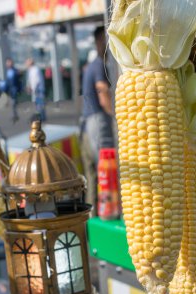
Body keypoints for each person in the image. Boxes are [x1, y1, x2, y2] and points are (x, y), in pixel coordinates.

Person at [81, 26, 115, 215]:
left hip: (86, 124)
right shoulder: (98, 65)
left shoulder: (91, 65)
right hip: (97, 122)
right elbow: (103, 96)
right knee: (105, 169)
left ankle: (93, 216)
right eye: (105, 40)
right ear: (98, 42)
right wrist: (117, 117)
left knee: (93, 174)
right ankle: (106, 213)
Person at [5, 58, 22, 122]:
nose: (7, 64)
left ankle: (15, 115)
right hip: (10, 89)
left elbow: (18, 78)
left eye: (9, 62)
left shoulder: (14, 70)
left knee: (13, 102)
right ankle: (14, 115)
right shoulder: (8, 71)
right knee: (12, 103)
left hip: (14, 89)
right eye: (7, 62)